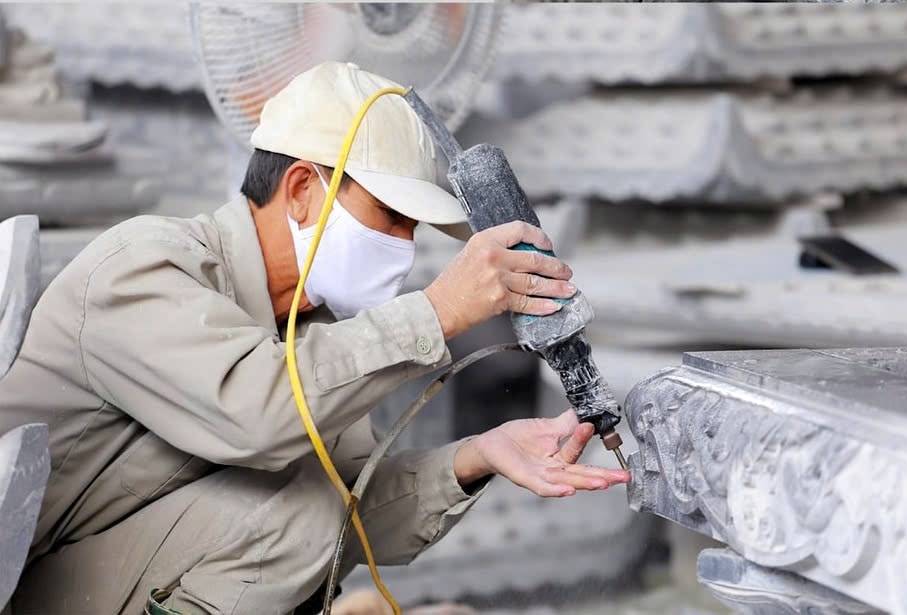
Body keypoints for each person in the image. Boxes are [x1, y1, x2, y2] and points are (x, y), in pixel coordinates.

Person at [0, 62, 629, 615]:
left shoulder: (315, 330)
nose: (405, 248)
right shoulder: (145, 266)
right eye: (390, 218)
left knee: (309, 512)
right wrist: (437, 312)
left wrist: (479, 456)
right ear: (303, 190)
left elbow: (347, 521)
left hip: (98, 574)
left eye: (413, 228)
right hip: (25, 583)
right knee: (294, 516)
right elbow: (257, 413)